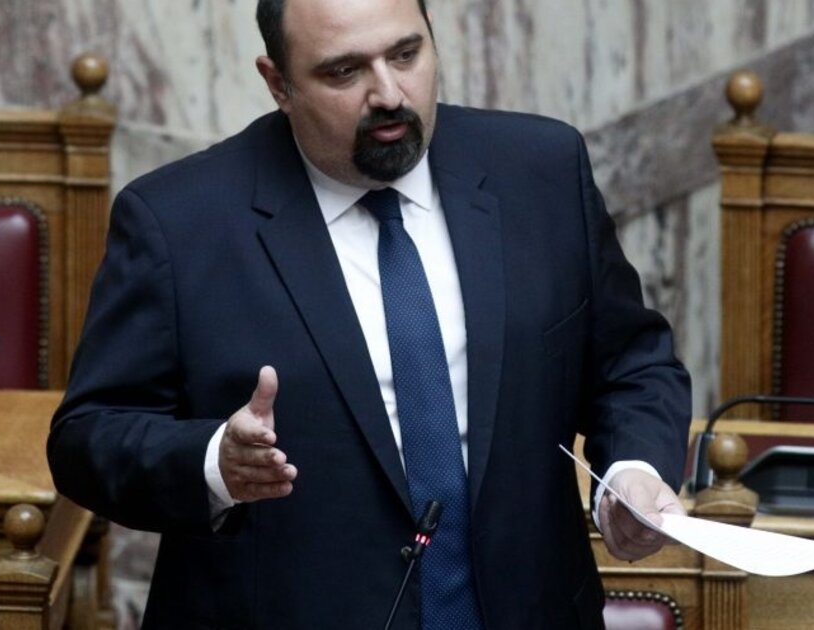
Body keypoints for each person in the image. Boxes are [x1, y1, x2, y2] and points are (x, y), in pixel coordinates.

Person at [47, 0, 691, 627]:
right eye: (344, 71)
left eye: (406, 54)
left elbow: (632, 365)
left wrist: (630, 472)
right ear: (278, 83)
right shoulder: (178, 221)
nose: (387, 93)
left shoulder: (540, 170)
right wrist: (215, 461)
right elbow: (88, 436)